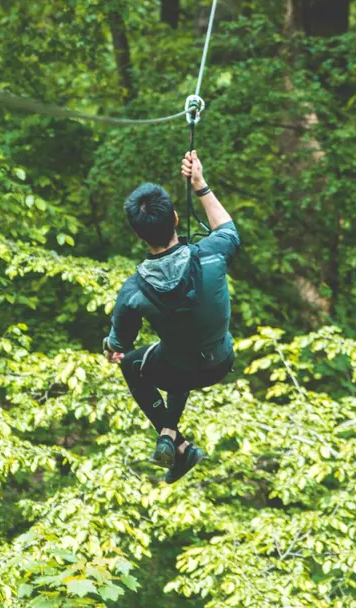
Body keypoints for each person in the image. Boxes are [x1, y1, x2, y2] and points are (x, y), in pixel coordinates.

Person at [102, 150, 240, 484]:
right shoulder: (212, 254)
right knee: (181, 349)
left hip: (177, 369)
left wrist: (109, 347)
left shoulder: (134, 291)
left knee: (134, 364)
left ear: (138, 234)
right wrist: (200, 185)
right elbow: (228, 228)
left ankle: (174, 440)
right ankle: (171, 437)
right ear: (176, 219)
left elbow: (119, 345)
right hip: (221, 361)